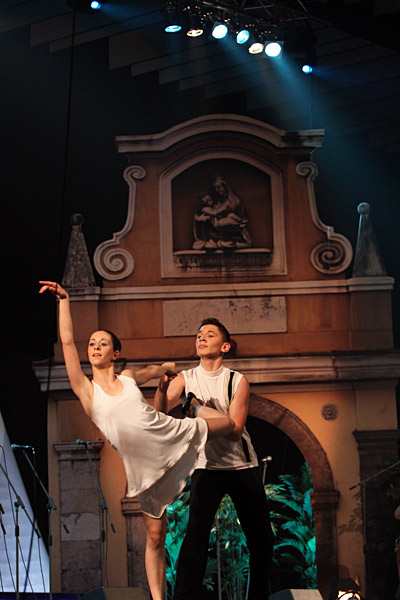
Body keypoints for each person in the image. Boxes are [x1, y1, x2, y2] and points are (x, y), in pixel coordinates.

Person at [38, 281, 235, 600]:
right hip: (143, 468)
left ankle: (194, 408)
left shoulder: (128, 378)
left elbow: (152, 371)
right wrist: (64, 302)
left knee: (229, 423)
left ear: (115, 353)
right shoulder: (87, 391)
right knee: (155, 537)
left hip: (168, 435)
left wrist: (167, 370)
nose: (95, 347)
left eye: (103, 343)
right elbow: (68, 341)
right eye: (92, 343)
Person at [157, 317, 273, 600]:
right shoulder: (186, 378)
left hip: (242, 466)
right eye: (199, 334)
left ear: (225, 346)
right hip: (206, 467)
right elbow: (159, 413)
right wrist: (161, 388)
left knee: (261, 541)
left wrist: (197, 410)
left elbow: (235, 431)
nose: (202, 337)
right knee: (195, 537)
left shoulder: (236, 381)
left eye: (209, 334)